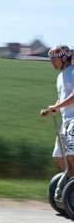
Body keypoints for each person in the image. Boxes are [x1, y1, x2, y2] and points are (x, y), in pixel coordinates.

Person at [41, 45, 74, 177]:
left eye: (54, 59)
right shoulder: (60, 77)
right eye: (51, 59)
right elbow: (61, 98)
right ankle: (71, 188)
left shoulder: (72, 72)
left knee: (71, 154)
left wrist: (57, 106)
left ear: (64, 58)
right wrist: (52, 109)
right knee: (58, 156)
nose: (52, 62)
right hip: (65, 120)